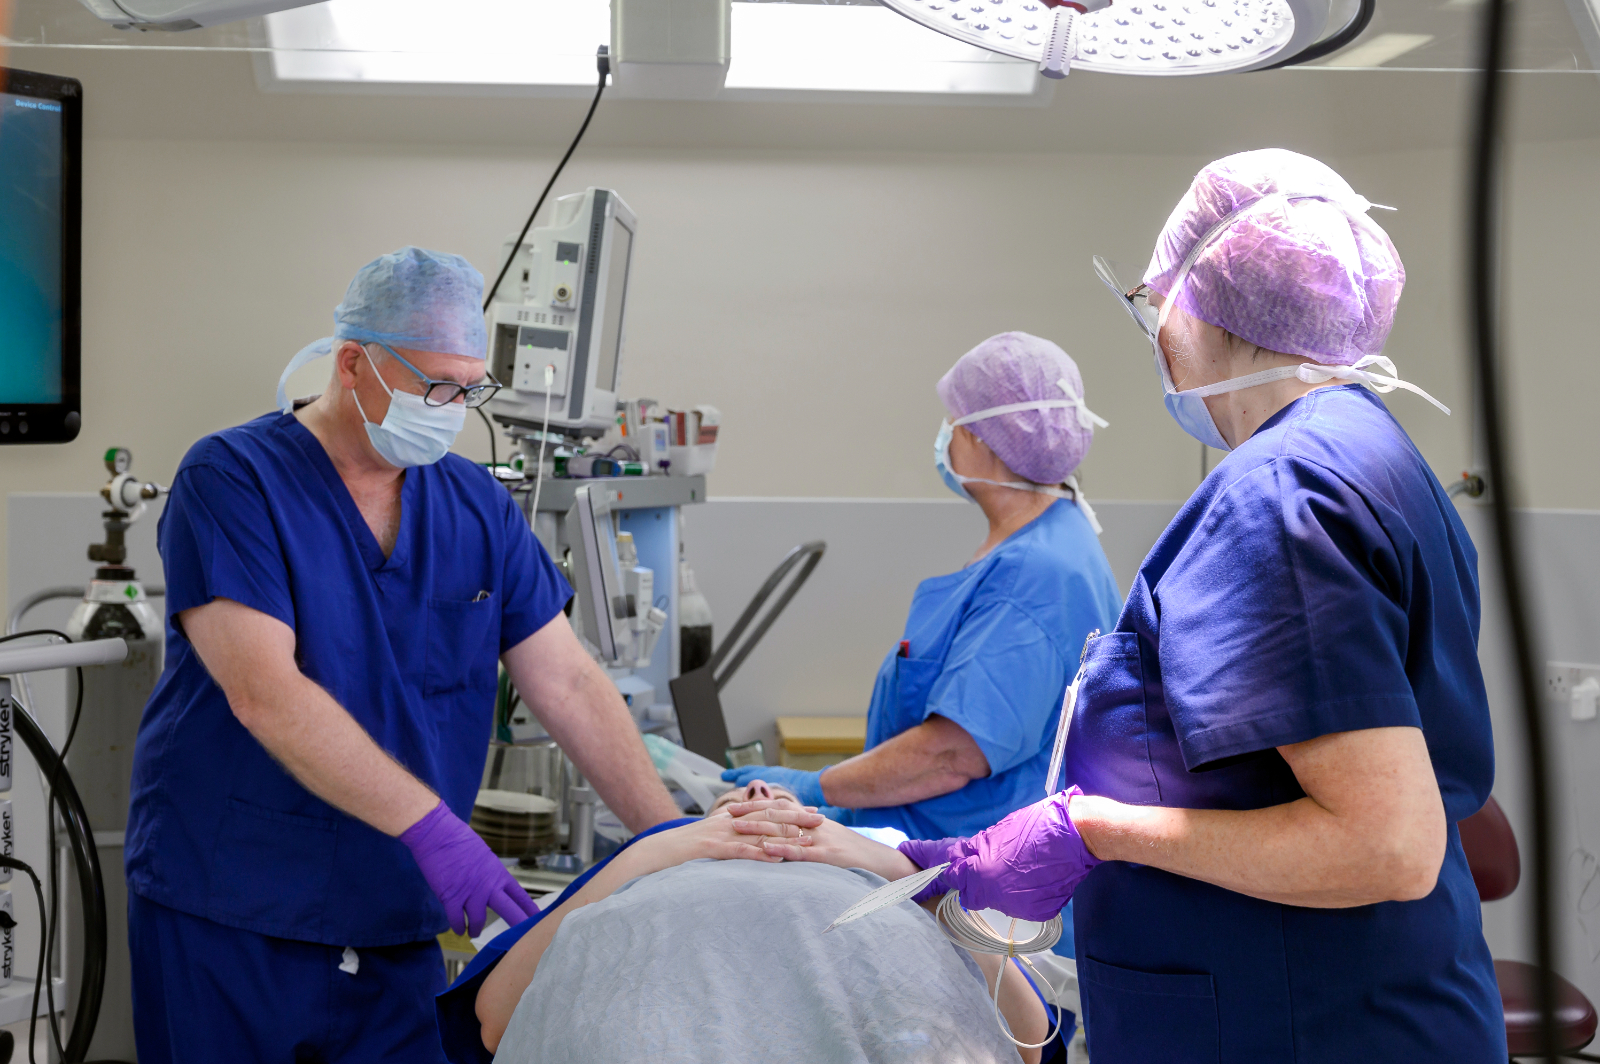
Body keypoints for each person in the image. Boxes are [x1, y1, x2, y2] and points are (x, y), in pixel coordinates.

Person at [756, 149, 1504, 1062]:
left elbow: (1383, 847)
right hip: (1356, 1003)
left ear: (1209, 306)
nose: (1156, 338)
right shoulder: (1370, 457)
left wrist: (1088, 830)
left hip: (1301, 1024)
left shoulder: (1280, 492)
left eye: (1156, 308)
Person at [125, 247, 682, 1064]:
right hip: (232, 910)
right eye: (435, 386)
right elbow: (265, 694)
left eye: (468, 389)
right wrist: (434, 831)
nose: (453, 408)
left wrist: (668, 845)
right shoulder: (233, 478)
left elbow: (563, 678)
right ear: (353, 363)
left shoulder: (476, 505)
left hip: (395, 919)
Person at [723, 333, 1121, 849]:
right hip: (951, 856)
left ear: (986, 438)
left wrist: (812, 786)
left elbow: (950, 756)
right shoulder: (1042, 547)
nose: (946, 436)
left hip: (978, 892)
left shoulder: (1035, 575)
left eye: (953, 421)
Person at [435, 781, 1055, 1064]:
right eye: (730, 804)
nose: (757, 793)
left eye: (784, 800)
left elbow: (1028, 1040)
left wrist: (889, 865)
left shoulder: (878, 861)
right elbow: (495, 1018)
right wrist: (661, 847)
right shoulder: (653, 858)